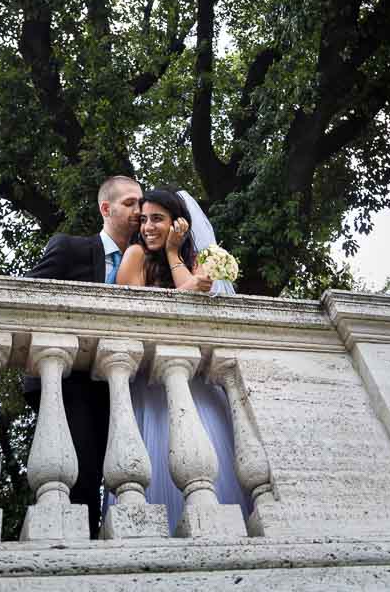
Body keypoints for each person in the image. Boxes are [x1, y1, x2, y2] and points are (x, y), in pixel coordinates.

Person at [115, 187, 250, 533]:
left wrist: (175, 252)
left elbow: (194, 310)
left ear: (180, 224)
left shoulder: (199, 259)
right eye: (143, 219)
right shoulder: (135, 256)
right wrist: (185, 276)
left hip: (199, 381)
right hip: (154, 383)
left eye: (157, 219)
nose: (147, 227)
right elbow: (141, 314)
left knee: (210, 458)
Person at [24, 174, 143, 538]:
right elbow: (27, 296)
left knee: (129, 475)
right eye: (129, 203)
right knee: (79, 474)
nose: (139, 210)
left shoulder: (146, 261)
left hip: (124, 386)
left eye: (141, 202)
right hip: (69, 382)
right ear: (106, 209)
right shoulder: (70, 248)